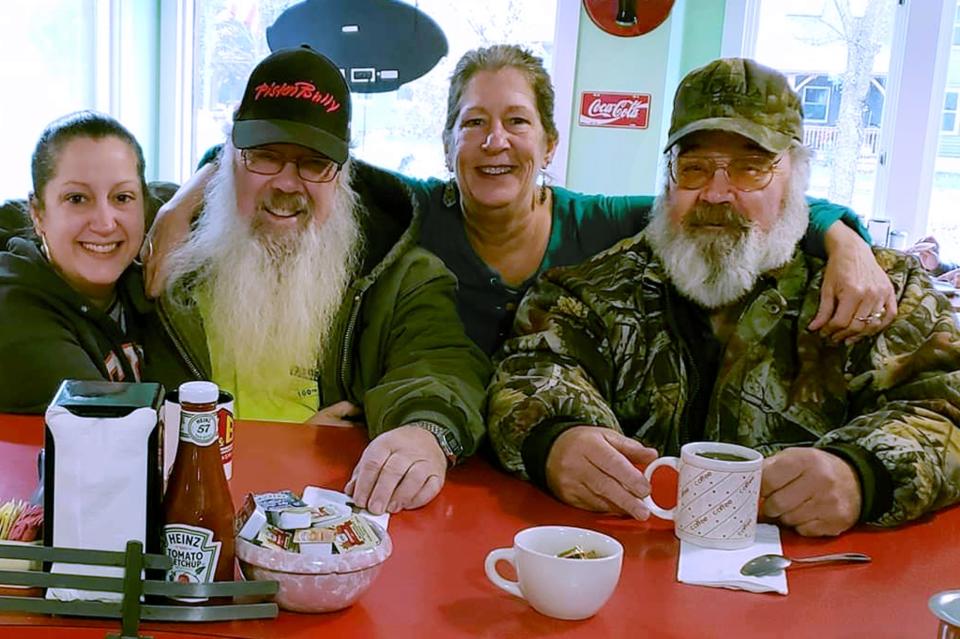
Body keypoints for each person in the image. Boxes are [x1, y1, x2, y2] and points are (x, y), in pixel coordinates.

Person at [146, 44, 897, 357]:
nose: (495, 141)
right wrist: (192, 189)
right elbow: (301, 158)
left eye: (516, 121)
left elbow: (722, 205)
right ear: (447, 146)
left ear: (551, 142)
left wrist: (844, 236)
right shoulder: (414, 210)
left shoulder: (604, 222)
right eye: (473, 122)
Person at [486, 58, 960, 537]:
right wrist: (556, 441)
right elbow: (531, 373)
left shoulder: (880, 293)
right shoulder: (589, 291)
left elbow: (943, 406)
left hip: (821, 585)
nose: (716, 194)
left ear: (795, 177)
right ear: (668, 179)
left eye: (750, 169)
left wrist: (862, 474)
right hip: (623, 576)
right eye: (693, 169)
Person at [154, 46, 490, 516]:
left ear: (343, 174)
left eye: (313, 164)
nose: (288, 184)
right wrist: (285, 443)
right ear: (230, 158)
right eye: (265, 157)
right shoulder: (161, 245)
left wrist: (424, 431)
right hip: (183, 516)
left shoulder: (398, 275)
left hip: (325, 524)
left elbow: (440, 363)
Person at [0, 111, 178, 413]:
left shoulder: (138, 267)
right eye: (77, 199)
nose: (105, 223)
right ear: (37, 212)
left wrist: (180, 208)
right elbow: (108, 432)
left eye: (122, 198)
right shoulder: (14, 312)